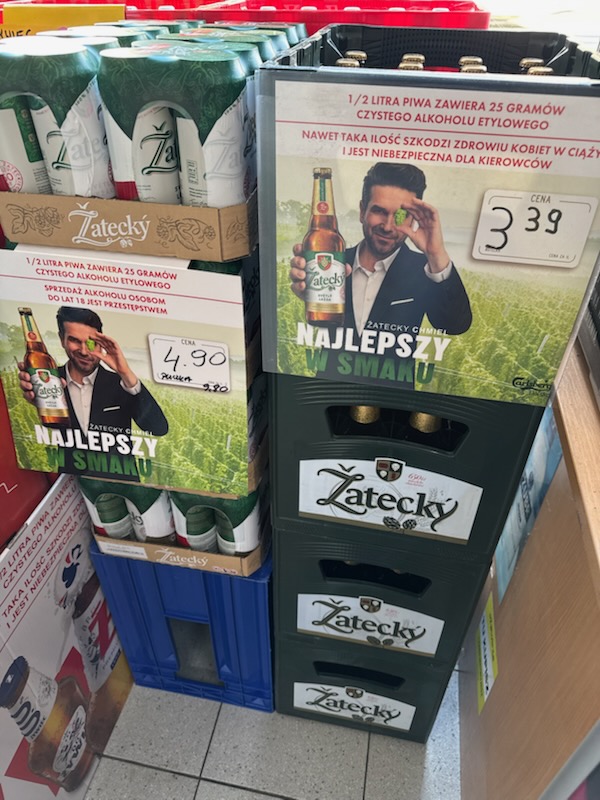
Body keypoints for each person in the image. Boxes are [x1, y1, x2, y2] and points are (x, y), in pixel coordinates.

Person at [290, 162, 472, 341]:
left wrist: (436, 254)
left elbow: (455, 325)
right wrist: (307, 294)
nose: (388, 226)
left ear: (413, 219)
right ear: (362, 211)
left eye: (401, 215)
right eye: (379, 211)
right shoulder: (334, 263)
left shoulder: (424, 269)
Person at [18, 305, 168, 478]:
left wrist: (125, 372)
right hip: (72, 483)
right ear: (62, 339)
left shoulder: (120, 382)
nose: (84, 351)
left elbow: (158, 428)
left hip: (122, 485)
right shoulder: (49, 380)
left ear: (101, 343)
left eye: (91, 343)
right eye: (75, 340)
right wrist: (37, 403)